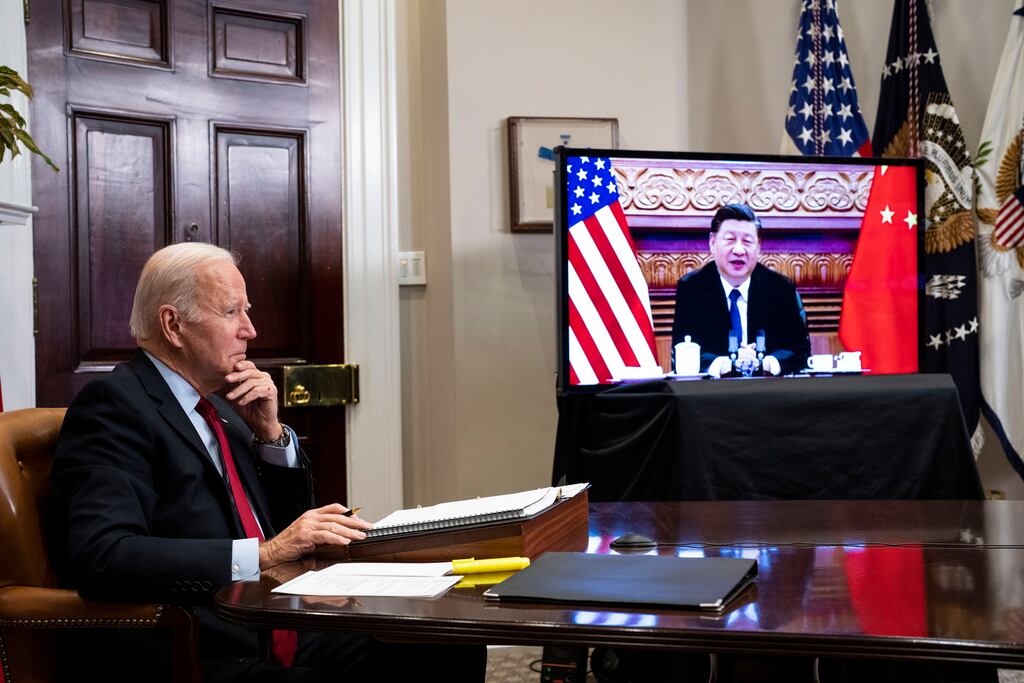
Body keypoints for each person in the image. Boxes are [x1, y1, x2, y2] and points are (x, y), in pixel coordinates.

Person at [50, 243, 486, 682]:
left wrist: (271, 437)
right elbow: (104, 555)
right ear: (173, 324)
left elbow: (287, 525)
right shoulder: (115, 407)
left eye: (248, 311)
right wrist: (265, 553)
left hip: (275, 623)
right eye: (231, 312)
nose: (250, 330)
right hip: (202, 647)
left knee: (449, 641)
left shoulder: (221, 408)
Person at [671, 203, 810, 376]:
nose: (739, 250)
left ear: (758, 247)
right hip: (713, 395)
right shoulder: (692, 288)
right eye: (730, 240)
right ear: (713, 243)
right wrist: (726, 364)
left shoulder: (780, 288)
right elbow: (682, 351)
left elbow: (799, 351)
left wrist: (764, 362)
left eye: (747, 241)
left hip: (770, 392)